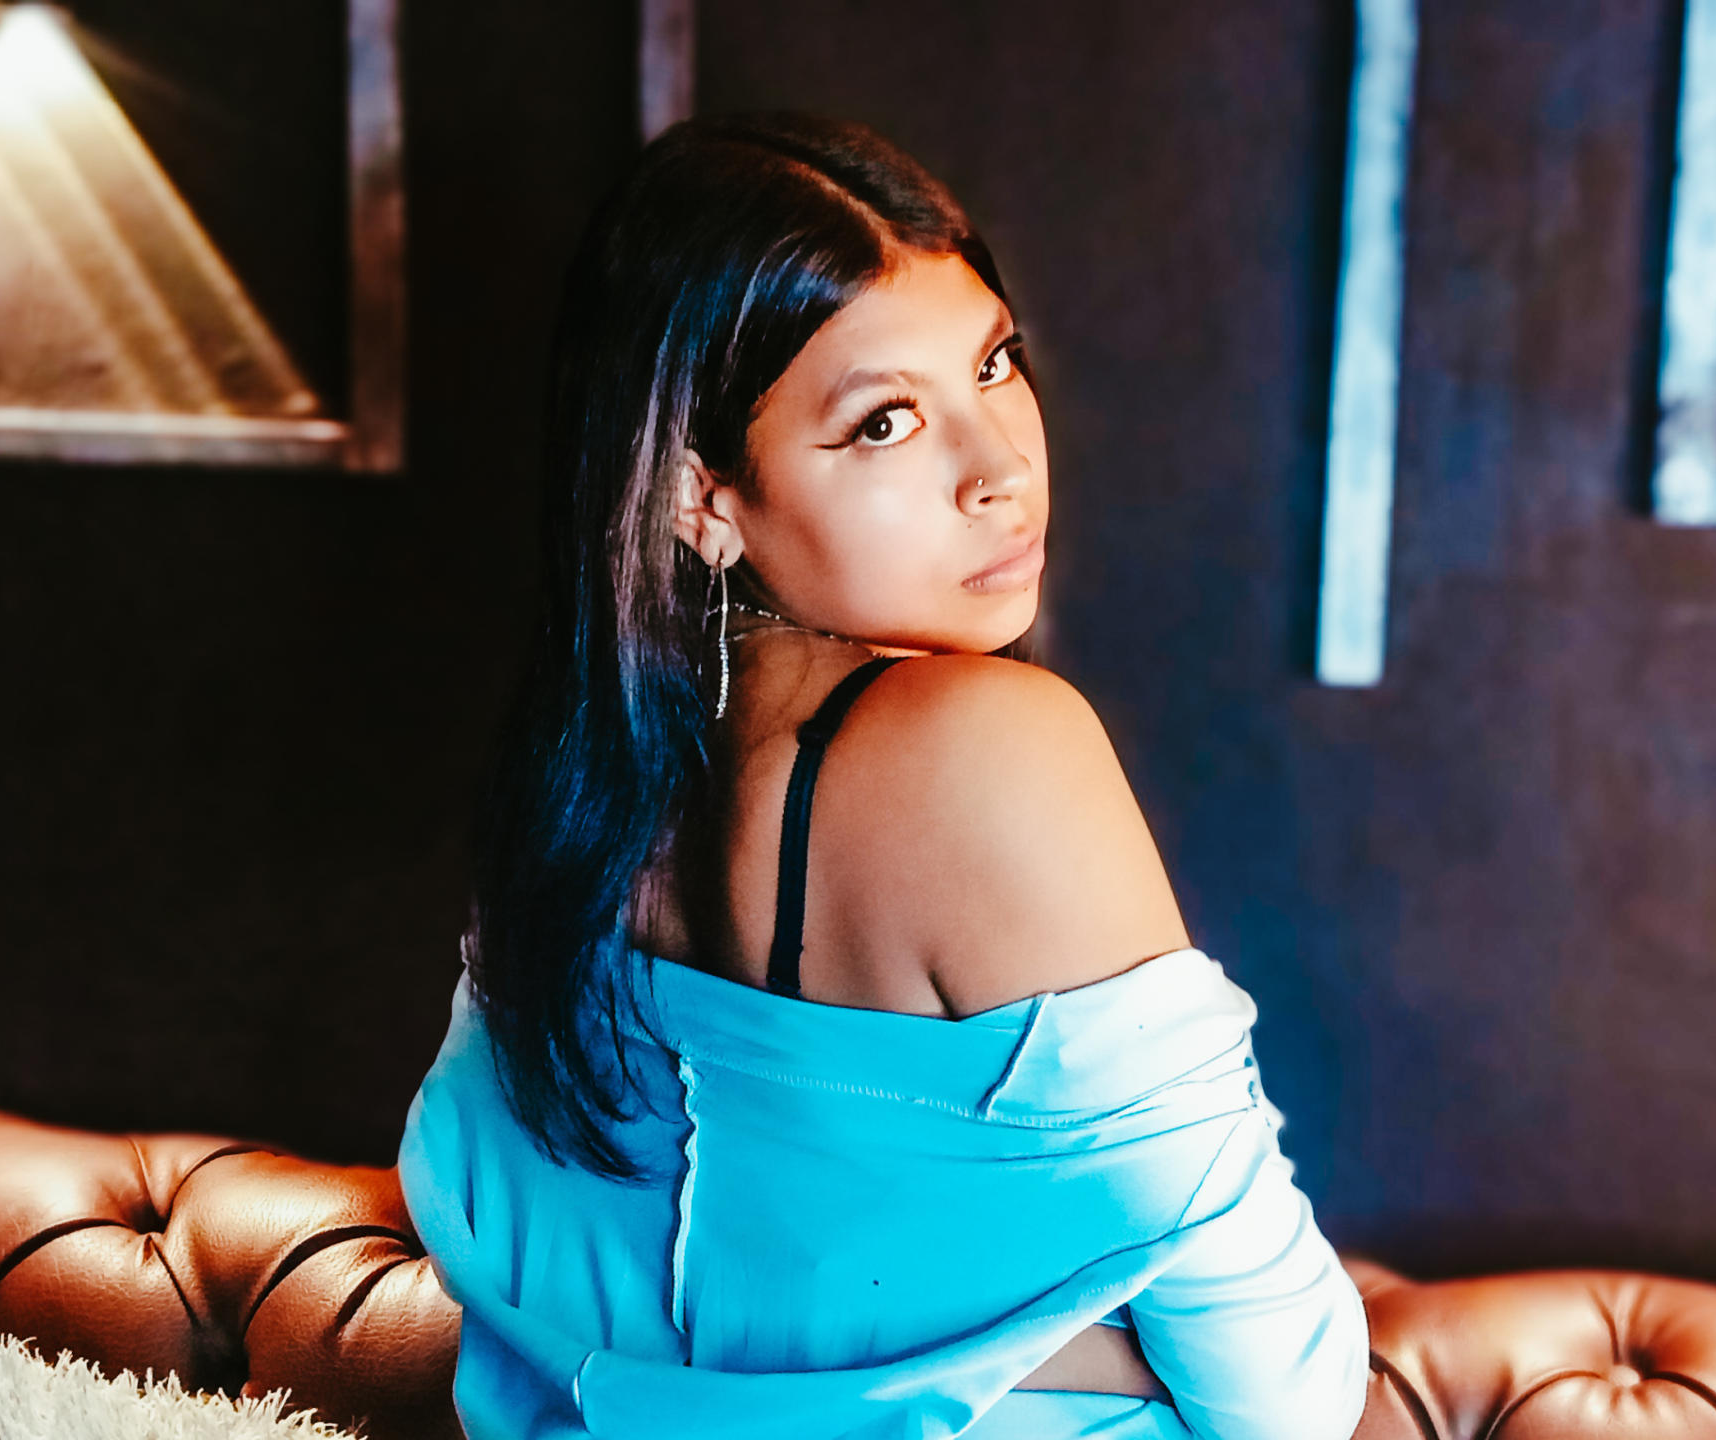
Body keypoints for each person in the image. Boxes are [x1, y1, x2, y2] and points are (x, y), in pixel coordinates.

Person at [399, 112, 1370, 1440]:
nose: (999, 468)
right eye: (884, 422)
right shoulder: (988, 748)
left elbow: (526, 1289)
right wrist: (1044, 1346)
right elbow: (1287, 1391)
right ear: (701, 500)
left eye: (994, 364)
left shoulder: (583, 797)